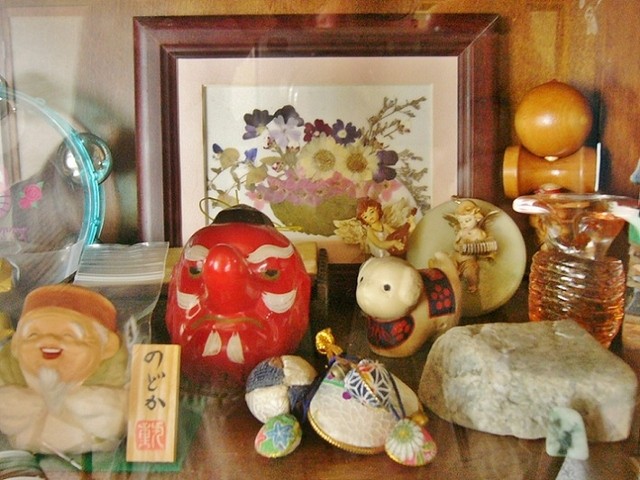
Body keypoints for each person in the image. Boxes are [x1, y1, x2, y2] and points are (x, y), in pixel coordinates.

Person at [0, 284, 128, 454]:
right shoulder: (9, 391)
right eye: (33, 335)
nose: (48, 340)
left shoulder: (110, 399)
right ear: (16, 345)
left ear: (107, 347)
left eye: (69, 335)